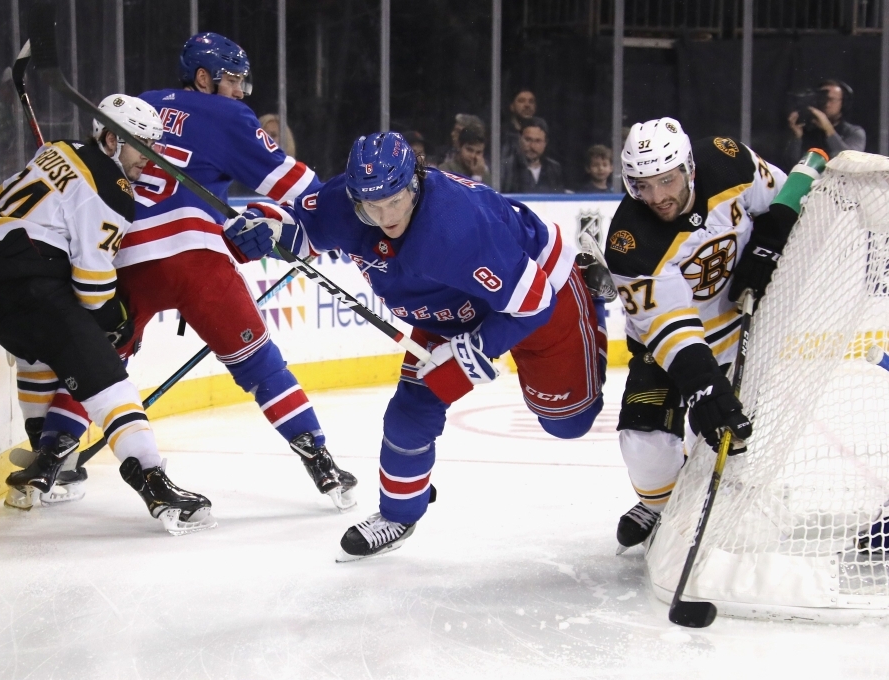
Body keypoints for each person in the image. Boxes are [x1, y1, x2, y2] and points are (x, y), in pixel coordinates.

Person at [225, 132, 608, 561]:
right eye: (372, 206)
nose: (386, 215)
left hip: (538, 289)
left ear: (415, 183)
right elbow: (298, 226)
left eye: (395, 201)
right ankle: (398, 514)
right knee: (410, 413)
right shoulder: (353, 199)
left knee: (567, 423)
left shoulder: (457, 228)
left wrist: (474, 352)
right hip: (445, 310)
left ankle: (587, 283)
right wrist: (265, 224)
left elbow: (535, 302)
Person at [114, 32, 357, 509]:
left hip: (127, 257)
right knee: (262, 366)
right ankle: (321, 462)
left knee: (99, 365)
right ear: (202, 78)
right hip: (196, 257)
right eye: (232, 81)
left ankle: (50, 456)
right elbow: (295, 184)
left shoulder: (140, 104)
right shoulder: (226, 115)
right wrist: (342, 221)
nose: (241, 92)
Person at [0, 94, 217, 535]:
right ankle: (153, 481)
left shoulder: (56, 149)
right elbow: (93, 286)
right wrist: (113, 321)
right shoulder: (113, 192)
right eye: (143, 146)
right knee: (108, 379)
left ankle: (43, 465)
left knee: (39, 354)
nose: (150, 159)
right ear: (112, 139)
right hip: (31, 283)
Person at [604, 117, 792, 550]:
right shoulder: (630, 240)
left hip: (742, 329)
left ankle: (702, 496)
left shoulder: (729, 161)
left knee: (731, 448)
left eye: (666, 181)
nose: (656, 197)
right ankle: (661, 506)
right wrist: (706, 389)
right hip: (668, 349)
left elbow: (782, 198)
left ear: (689, 168)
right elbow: (670, 327)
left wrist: (767, 244)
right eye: (642, 185)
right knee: (641, 441)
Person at [784, 80, 865, 168]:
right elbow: (792, 166)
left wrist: (828, 129)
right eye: (823, 99)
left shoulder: (853, 132)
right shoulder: (806, 130)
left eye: (831, 100)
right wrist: (797, 137)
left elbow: (849, 162)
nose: (826, 104)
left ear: (843, 103)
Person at [500, 117, 565, 194]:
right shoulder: (505, 167)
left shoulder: (554, 168)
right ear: (519, 139)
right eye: (528, 140)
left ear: (545, 143)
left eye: (538, 141)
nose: (532, 146)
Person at [501, 88, 538, 159]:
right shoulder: (502, 133)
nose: (527, 105)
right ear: (512, 106)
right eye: (521, 101)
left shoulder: (541, 131)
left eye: (531, 101)